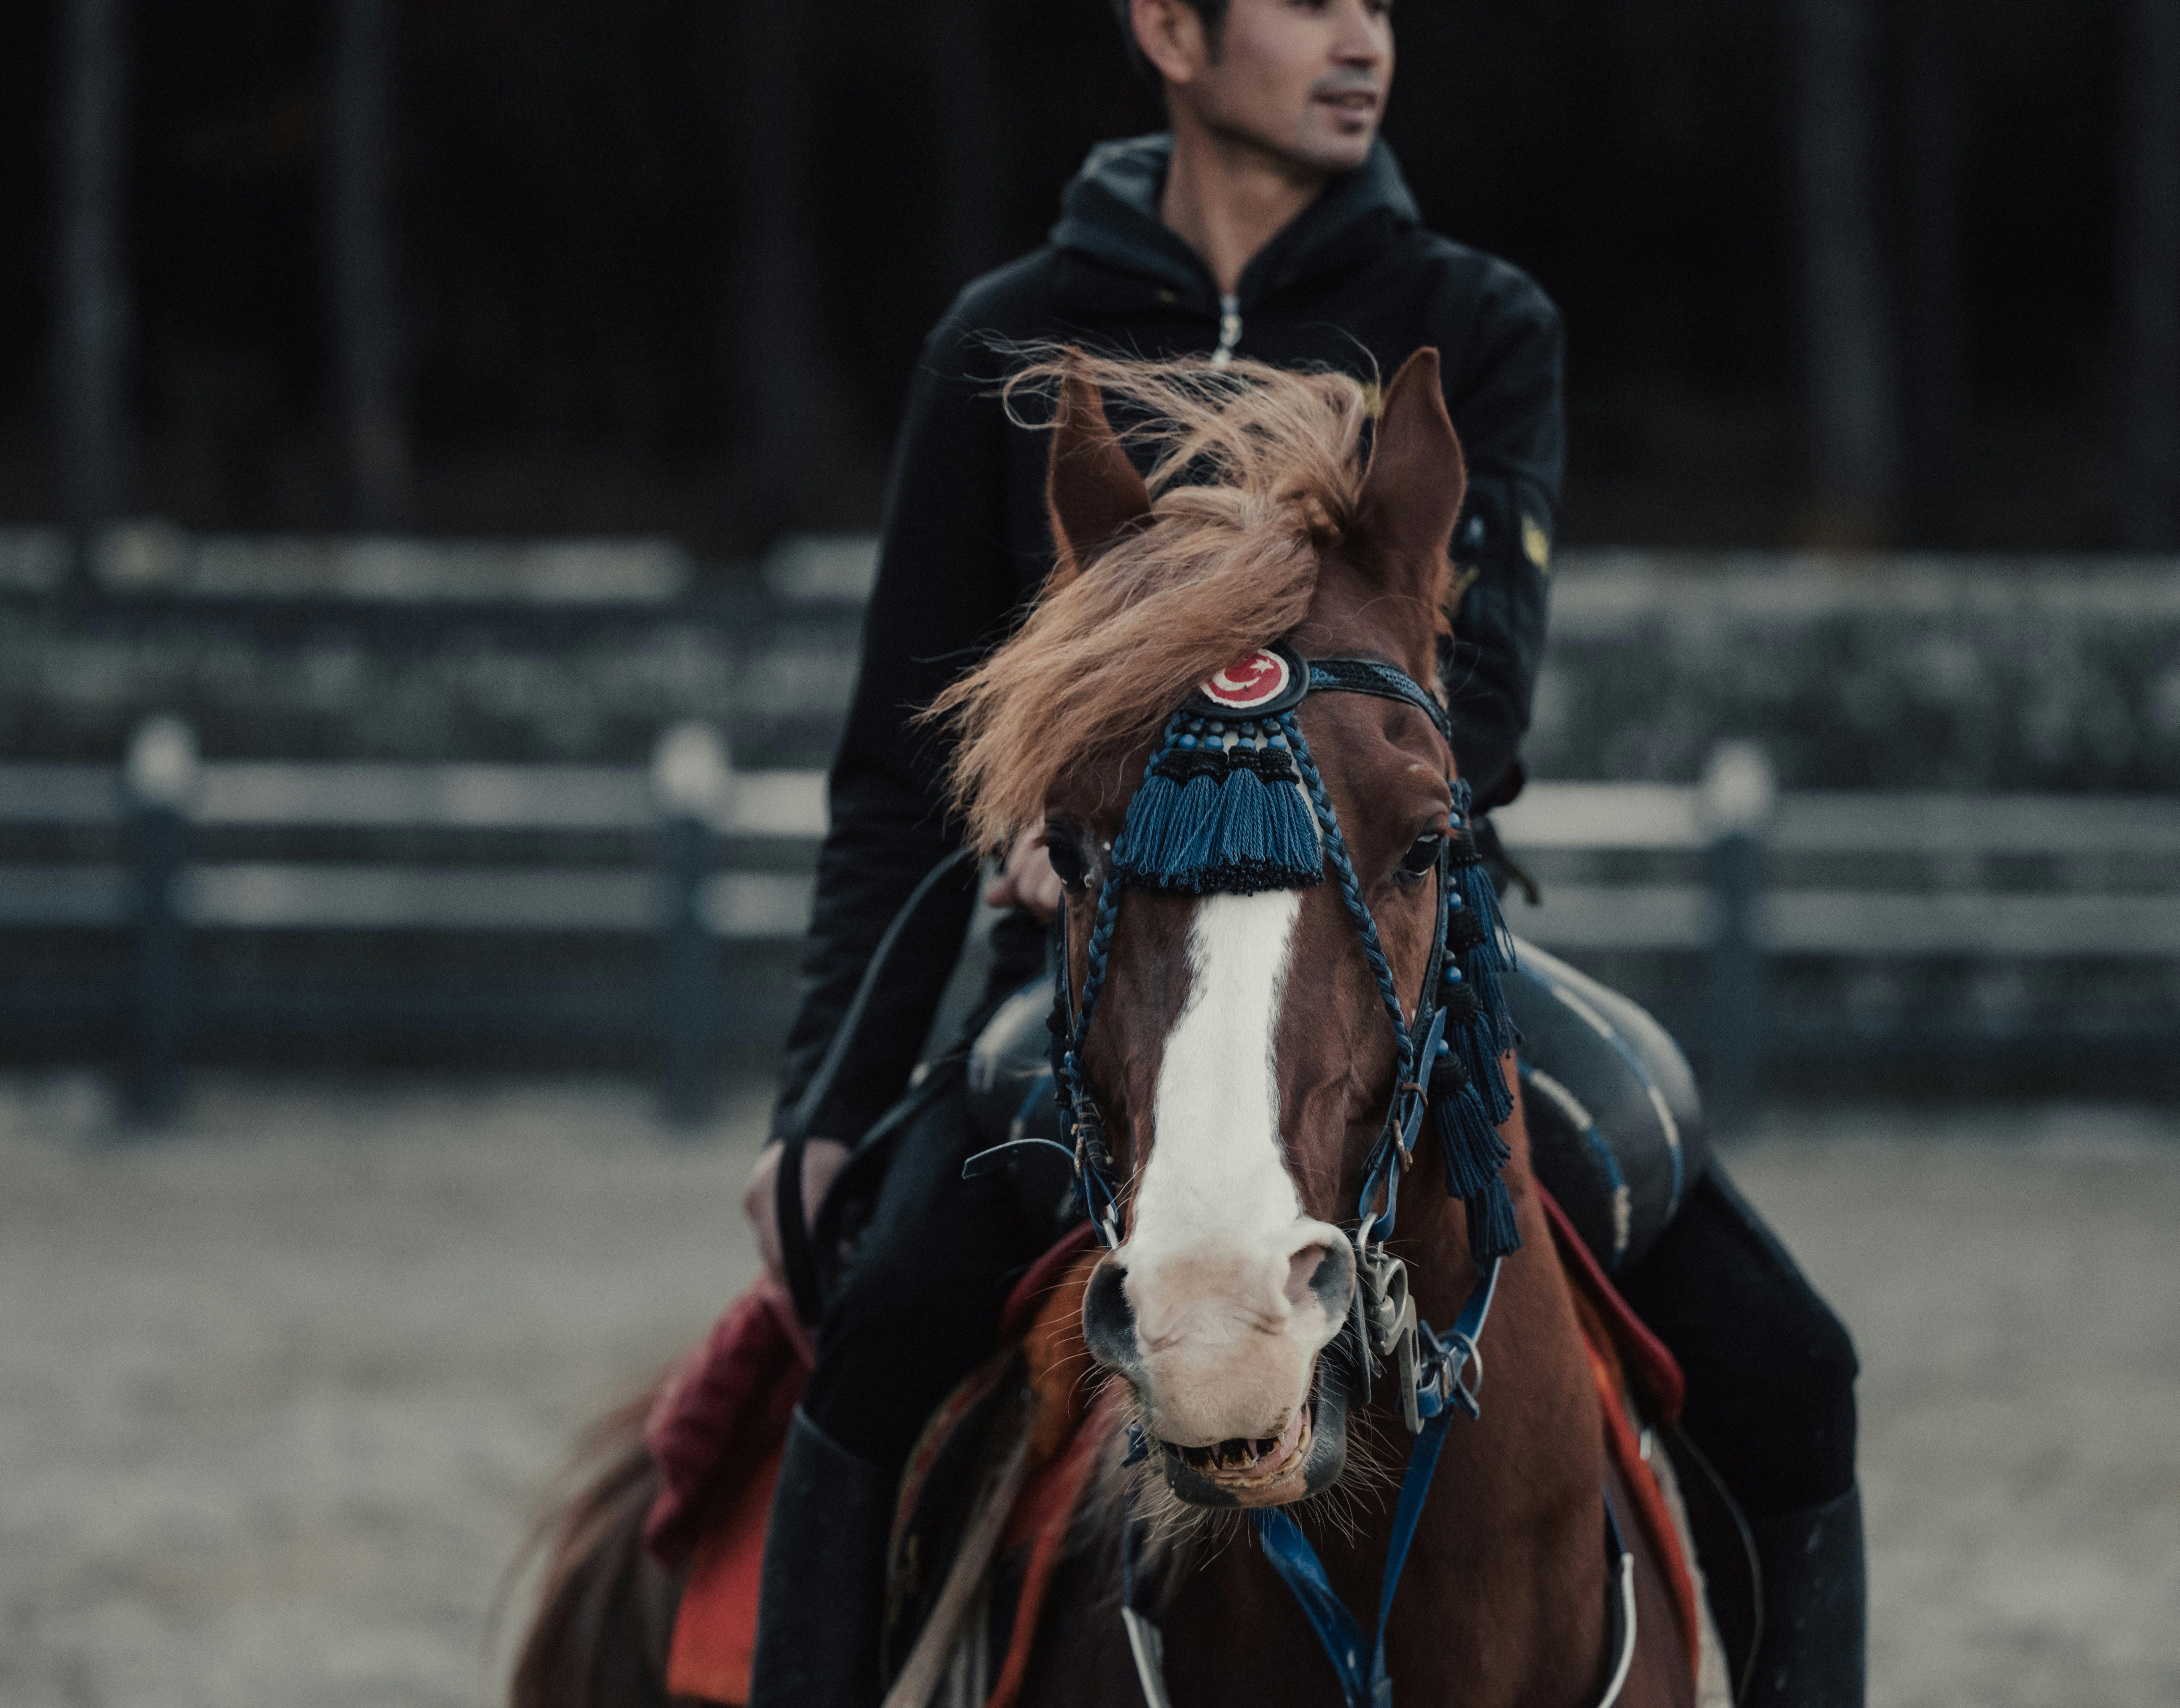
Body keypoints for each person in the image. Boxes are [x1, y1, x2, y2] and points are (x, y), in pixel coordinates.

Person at [741, 4, 1864, 1705]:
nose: (1363, 37)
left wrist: (1259, 792)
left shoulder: (1478, 325)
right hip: (1089, 970)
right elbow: (896, 780)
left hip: (1398, 942)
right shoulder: (1009, 341)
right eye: (1309, 0)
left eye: (1379, 6)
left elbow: (1474, 713)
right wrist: (824, 1102)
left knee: (1790, 1368)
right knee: (871, 1350)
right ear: (1171, 31)